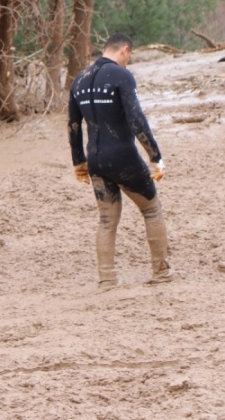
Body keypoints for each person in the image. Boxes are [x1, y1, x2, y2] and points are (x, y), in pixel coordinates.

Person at [68, 33, 173, 288]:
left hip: (96, 159)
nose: (129, 61)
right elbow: (136, 119)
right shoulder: (122, 76)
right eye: (130, 56)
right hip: (123, 157)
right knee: (151, 209)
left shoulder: (79, 80)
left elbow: (73, 125)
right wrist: (155, 157)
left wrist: (79, 162)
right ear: (125, 50)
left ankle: (107, 280)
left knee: (106, 220)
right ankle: (161, 273)